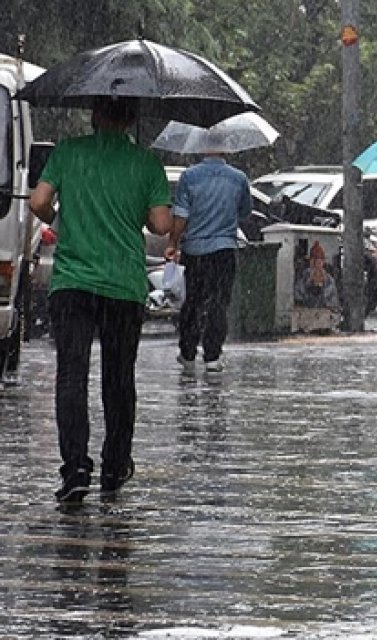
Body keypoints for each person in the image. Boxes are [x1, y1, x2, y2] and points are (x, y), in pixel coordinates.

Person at [30, 96, 173, 503]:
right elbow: (161, 224)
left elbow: (39, 202)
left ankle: (75, 468)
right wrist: (136, 210)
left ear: (93, 115)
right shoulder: (146, 164)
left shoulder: (68, 152)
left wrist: (63, 218)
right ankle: (114, 465)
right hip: (123, 286)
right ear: (130, 119)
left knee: (72, 376)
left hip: (73, 282)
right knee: (118, 378)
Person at [165, 136, 252, 375]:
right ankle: (213, 355)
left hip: (194, 252)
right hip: (224, 250)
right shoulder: (238, 178)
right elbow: (245, 211)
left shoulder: (189, 177)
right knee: (219, 303)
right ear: (226, 149)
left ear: (202, 148)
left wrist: (173, 242)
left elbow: (181, 215)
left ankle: (188, 352)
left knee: (192, 302)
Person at [294, 241, 340, 309]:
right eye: (313, 262)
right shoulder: (304, 277)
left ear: (323, 262)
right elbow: (298, 295)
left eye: (319, 262)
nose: (316, 265)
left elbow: (333, 301)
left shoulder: (329, 280)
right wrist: (309, 282)